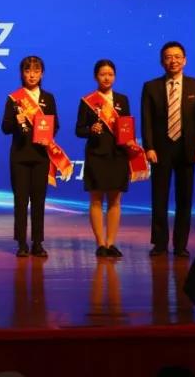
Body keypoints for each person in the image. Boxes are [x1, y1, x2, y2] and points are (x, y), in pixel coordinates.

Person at [141, 41, 195, 258]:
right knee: (159, 198)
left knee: (185, 199)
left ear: (185, 60)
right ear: (162, 61)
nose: (173, 61)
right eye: (169, 57)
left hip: (187, 149)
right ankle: (160, 244)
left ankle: (181, 245)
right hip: (160, 150)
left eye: (178, 57)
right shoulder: (151, 87)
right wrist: (149, 147)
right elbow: (147, 121)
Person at [2, 55, 73, 258]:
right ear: (22, 74)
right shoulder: (14, 98)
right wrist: (17, 121)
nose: (32, 75)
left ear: (42, 74)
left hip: (41, 156)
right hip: (19, 156)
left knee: (39, 201)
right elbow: (5, 128)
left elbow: (55, 125)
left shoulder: (48, 98)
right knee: (21, 201)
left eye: (36, 71)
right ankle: (21, 243)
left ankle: (38, 242)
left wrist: (47, 136)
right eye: (28, 71)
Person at [75, 59, 146, 258]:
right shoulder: (87, 101)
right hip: (96, 154)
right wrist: (91, 129)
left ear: (114, 76)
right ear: (95, 77)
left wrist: (130, 141)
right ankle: (100, 243)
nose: (107, 78)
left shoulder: (122, 100)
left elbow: (126, 127)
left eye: (110, 74)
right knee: (96, 200)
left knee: (115, 200)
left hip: (118, 155)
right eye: (102, 74)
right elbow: (78, 130)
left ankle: (111, 243)